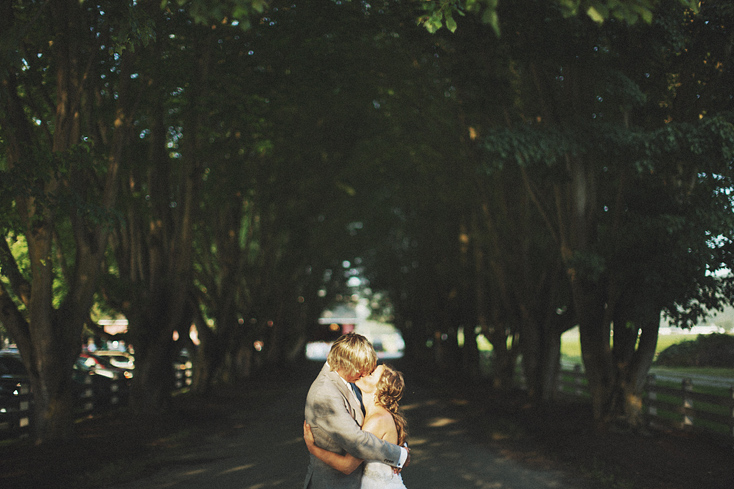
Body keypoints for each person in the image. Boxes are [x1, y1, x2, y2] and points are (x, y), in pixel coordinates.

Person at [303, 333, 409, 489]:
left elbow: (377, 426)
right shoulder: (325, 392)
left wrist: (398, 444)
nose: (365, 373)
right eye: (363, 369)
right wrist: (399, 454)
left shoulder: (350, 382)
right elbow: (357, 441)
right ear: (349, 363)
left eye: (370, 371)